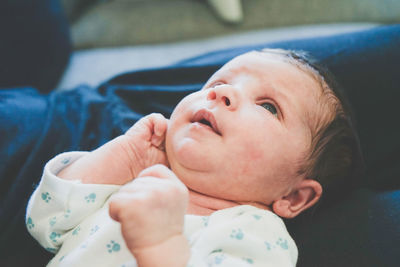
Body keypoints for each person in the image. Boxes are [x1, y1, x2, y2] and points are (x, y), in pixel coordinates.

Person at [25, 48, 361, 267]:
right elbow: (46, 222)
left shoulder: (257, 234)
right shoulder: (137, 176)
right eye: (219, 82)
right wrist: (124, 155)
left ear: (293, 195)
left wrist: (161, 244)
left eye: (268, 106)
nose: (221, 93)